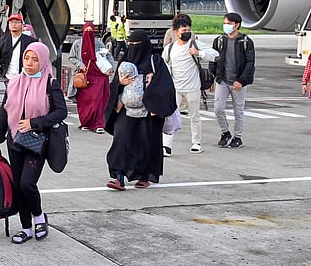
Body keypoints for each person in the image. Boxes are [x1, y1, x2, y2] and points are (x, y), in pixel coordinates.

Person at [0, 41, 67, 243]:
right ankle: (26, 228)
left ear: (42, 61)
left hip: (36, 142)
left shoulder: (51, 84)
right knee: (17, 185)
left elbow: (61, 112)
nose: (30, 63)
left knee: (27, 184)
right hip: (14, 141)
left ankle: (39, 216)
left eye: (34, 59)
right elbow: (4, 111)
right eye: (26, 58)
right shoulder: (14, 82)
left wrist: (35, 123)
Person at [104, 30, 177, 190]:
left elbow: (166, 85)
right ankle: (119, 177)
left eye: (138, 45)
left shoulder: (155, 61)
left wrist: (151, 85)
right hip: (126, 110)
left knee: (146, 143)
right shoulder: (126, 60)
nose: (134, 48)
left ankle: (145, 175)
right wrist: (120, 83)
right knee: (121, 141)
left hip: (149, 111)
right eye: (132, 45)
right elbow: (114, 84)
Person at [160, 15, 209, 153]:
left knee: (195, 116)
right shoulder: (170, 48)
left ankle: (196, 142)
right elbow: (163, 65)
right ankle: (167, 145)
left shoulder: (195, 44)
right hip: (175, 87)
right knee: (169, 116)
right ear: (176, 32)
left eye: (188, 29)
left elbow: (214, 55)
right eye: (184, 30)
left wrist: (200, 53)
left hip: (193, 87)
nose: (187, 32)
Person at [211, 12, 255, 148]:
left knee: (238, 111)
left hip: (238, 83)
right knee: (218, 109)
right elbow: (214, 58)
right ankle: (225, 132)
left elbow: (250, 63)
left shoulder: (245, 42)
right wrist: (214, 77)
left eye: (229, 23)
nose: (226, 26)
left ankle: (238, 137)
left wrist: (241, 81)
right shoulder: (219, 40)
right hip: (222, 80)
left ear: (237, 25)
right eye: (225, 23)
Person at [70, 21, 110, 134]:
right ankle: (86, 123)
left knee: (97, 101)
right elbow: (71, 57)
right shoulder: (77, 44)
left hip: (97, 77)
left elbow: (108, 56)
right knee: (84, 102)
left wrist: (109, 69)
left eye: (90, 31)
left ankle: (98, 124)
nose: (88, 33)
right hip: (83, 78)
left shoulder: (99, 44)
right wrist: (80, 65)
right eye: (86, 31)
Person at [0, 14, 37, 80]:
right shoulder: (3, 40)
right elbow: (1, 61)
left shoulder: (30, 41)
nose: (14, 24)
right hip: (8, 77)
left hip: (25, 77)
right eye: (11, 22)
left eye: (17, 22)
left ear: (22, 25)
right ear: (8, 25)